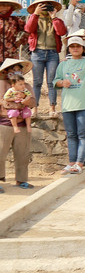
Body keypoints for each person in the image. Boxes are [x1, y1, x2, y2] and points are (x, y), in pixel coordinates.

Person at [54, 31, 85, 173]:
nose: (75, 48)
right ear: (68, 48)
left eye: (78, 46)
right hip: (68, 104)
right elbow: (55, 81)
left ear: (83, 48)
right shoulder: (63, 64)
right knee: (71, 134)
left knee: (83, 134)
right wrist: (62, 83)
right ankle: (71, 162)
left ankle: (79, 163)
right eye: (72, 46)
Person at [24, 0, 67, 116]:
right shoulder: (34, 18)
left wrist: (54, 18)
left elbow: (62, 32)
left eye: (47, 5)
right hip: (37, 53)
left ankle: (52, 108)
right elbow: (28, 29)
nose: (45, 8)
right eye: (41, 5)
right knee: (37, 82)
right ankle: (34, 109)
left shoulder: (56, 20)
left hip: (52, 53)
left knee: (52, 82)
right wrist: (35, 14)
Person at [0, 58, 36, 191]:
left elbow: (33, 102)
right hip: (4, 123)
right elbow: (3, 101)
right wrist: (16, 103)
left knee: (23, 153)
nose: (15, 72)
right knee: (0, 152)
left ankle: (21, 180)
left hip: (23, 124)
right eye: (12, 70)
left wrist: (26, 101)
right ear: (6, 71)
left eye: (18, 69)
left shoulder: (26, 86)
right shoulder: (1, 84)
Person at [0, 0, 27, 64]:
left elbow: (29, 30)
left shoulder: (15, 20)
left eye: (8, 5)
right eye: (2, 5)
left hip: (11, 56)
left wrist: (20, 41)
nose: (5, 8)